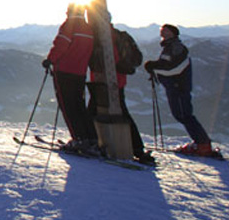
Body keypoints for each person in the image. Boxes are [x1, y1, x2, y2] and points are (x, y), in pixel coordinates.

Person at [87, 25, 155, 165]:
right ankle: (137, 149)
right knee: (120, 112)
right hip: (117, 80)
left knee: (95, 112)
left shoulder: (101, 36)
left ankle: (90, 142)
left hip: (105, 80)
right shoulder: (117, 35)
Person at [145, 24, 215, 156]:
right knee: (182, 115)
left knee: (184, 115)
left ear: (173, 33)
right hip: (175, 87)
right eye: (162, 30)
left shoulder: (176, 48)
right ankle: (202, 144)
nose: (163, 32)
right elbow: (169, 65)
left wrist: (154, 67)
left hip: (178, 87)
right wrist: (155, 67)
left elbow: (175, 69)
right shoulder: (171, 47)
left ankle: (203, 144)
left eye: (166, 30)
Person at [43, 4, 98, 154]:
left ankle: (79, 139)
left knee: (68, 106)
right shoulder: (88, 28)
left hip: (65, 71)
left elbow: (61, 45)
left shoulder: (69, 25)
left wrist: (50, 60)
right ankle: (91, 138)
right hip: (80, 72)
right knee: (79, 105)